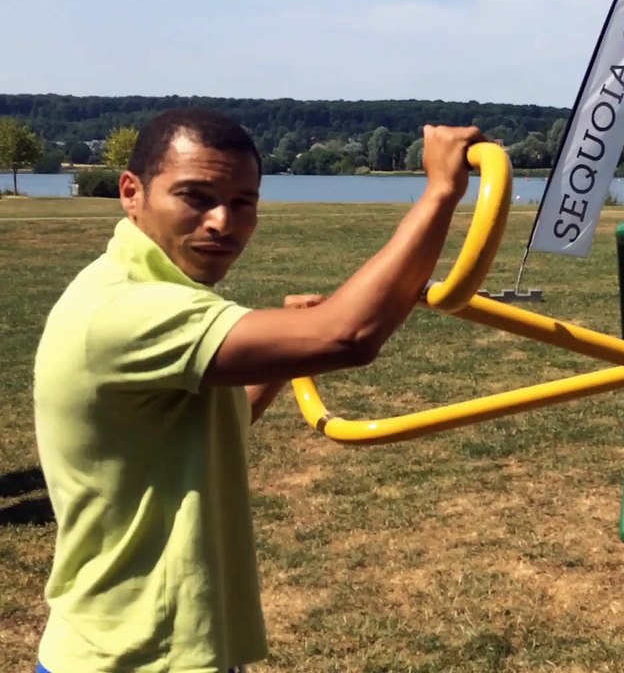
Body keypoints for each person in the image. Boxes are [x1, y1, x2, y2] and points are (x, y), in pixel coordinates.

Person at [31, 107, 484, 672]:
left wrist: (279, 359)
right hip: (136, 656)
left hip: (158, 647)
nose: (222, 222)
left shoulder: (140, 287)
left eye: (243, 202)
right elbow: (348, 336)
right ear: (132, 193)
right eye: (196, 197)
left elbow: (203, 427)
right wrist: (440, 192)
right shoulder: (126, 310)